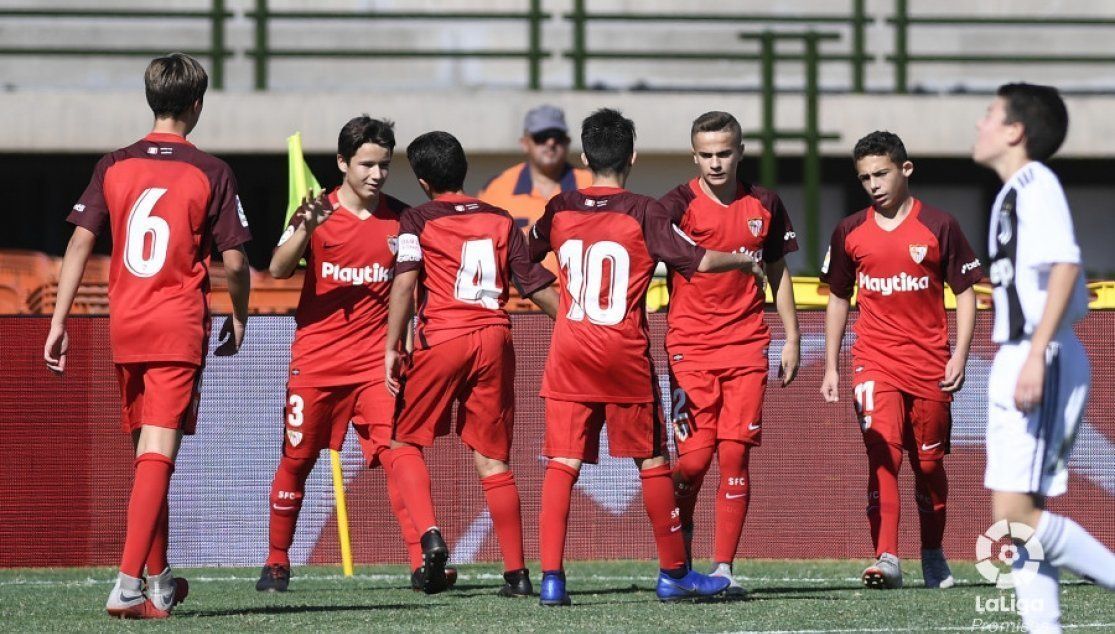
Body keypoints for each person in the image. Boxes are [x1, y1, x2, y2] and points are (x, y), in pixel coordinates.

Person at [529, 108, 767, 606]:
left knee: (563, 462)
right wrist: (745, 259)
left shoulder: (559, 206)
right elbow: (695, 259)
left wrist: (558, 306)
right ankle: (674, 574)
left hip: (570, 349)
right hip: (623, 352)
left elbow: (519, 259)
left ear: (584, 156)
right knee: (652, 461)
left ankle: (551, 578)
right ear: (632, 157)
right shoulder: (644, 210)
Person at [43, 53, 251, 619]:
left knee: (146, 456)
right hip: (175, 327)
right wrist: (240, 313)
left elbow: (80, 244)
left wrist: (59, 322)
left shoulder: (113, 164)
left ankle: (158, 580)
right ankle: (128, 585)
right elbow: (235, 263)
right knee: (158, 455)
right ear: (197, 106)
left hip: (126, 327)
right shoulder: (211, 171)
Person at [256, 116, 458, 594]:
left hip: (376, 364)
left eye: (384, 165)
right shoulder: (315, 210)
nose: (376, 174)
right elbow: (279, 268)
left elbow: (416, 289)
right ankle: (277, 560)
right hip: (317, 360)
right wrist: (304, 229)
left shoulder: (403, 219)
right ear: (343, 163)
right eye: (367, 164)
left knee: (397, 450)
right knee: (297, 457)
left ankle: (424, 558)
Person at [383, 131, 559, 598]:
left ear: (422, 181)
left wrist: (391, 344)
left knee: (401, 441)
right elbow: (535, 284)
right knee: (494, 460)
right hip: (495, 338)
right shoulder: (500, 218)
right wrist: (580, 324)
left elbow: (404, 283)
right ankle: (518, 574)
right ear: (463, 170)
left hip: (444, 337)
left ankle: (429, 537)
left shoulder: (416, 218)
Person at [974, 83, 1114, 633]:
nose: (979, 124)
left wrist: (1035, 353)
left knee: (1015, 518)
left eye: (989, 114)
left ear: (1015, 131)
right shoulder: (1011, 192)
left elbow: (1065, 266)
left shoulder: (1037, 182)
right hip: (1021, 352)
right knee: (1015, 522)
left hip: (1041, 352)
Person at [820, 131, 982, 590]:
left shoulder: (939, 225)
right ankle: (887, 557)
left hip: (930, 364)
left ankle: (932, 552)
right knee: (883, 454)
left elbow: (966, 294)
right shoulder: (850, 231)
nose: (873, 184)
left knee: (928, 466)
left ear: (905, 170)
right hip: (874, 361)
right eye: (864, 177)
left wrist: (961, 357)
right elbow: (837, 299)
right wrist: (833, 365)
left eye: (881, 173)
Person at [658, 111, 800, 597]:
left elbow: (778, 271)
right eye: (707, 154)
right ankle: (682, 540)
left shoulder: (766, 203)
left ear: (740, 152)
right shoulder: (676, 205)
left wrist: (793, 337)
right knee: (694, 462)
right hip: (689, 347)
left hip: (746, 345)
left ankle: (722, 569)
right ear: (694, 155)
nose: (716, 163)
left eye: (724, 153)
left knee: (735, 455)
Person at [477, 104, 592, 231]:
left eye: (557, 136)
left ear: (567, 142)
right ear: (525, 143)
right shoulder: (497, 188)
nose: (551, 142)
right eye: (541, 136)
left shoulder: (591, 185)